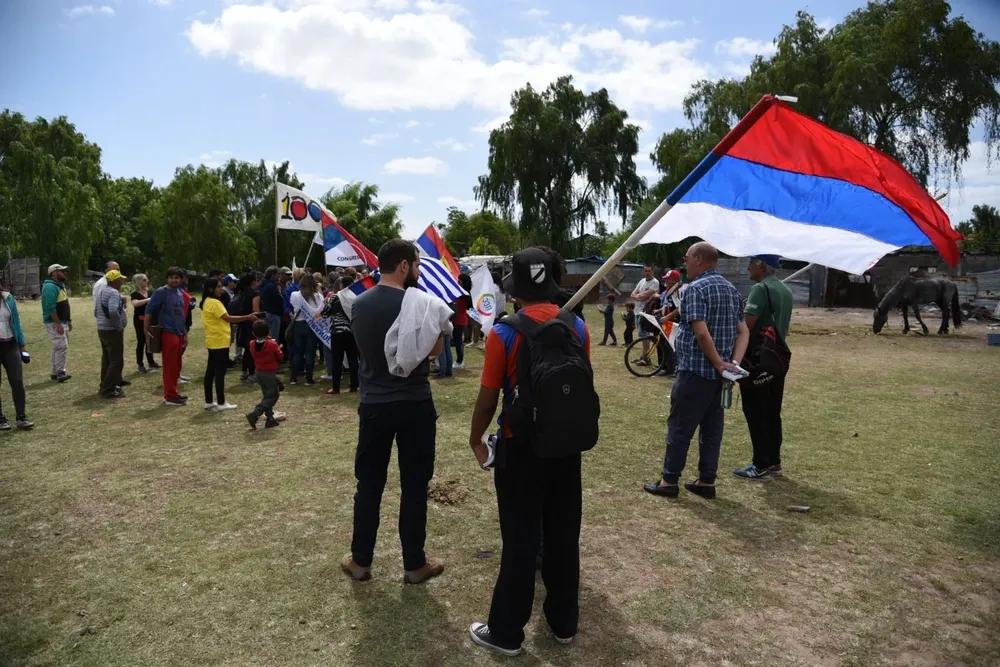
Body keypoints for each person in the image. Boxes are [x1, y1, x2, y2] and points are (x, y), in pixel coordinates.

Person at [466, 247, 592, 657]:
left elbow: (488, 398)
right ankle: (563, 623)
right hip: (566, 444)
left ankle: (505, 631)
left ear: (516, 290)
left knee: (520, 540)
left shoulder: (505, 332)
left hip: (520, 449)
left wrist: (475, 438)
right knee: (563, 534)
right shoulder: (578, 328)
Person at [341, 239, 444, 585]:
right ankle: (414, 564)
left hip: (374, 405)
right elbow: (435, 350)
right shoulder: (422, 305)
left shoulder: (359, 304)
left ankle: (360, 560)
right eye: (416, 264)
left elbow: (365, 351)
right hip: (415, 403)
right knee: (415, 486)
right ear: (403, 265)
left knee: (368, 485)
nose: (418, 270)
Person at [644, 242, 749, 500]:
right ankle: (706, 480)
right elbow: (743, 331)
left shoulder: (696, 289)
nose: (685, 261)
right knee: (712, 430)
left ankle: (669, 479)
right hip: (721, 376)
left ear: (699, 260)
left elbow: (701, 332)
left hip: (695, 372)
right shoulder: (731, 289)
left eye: (688, 257)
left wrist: (715, 362)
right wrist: (731, 364)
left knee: (680, 426)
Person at [733, 254, 794, 481]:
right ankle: (774, 462)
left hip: (757, 361)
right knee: (772, 412)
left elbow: (746, 327)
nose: (748, 266)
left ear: (762, 264)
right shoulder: (785, 290)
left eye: (751, 262)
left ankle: (760, 465)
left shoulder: (760, 289)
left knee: (756, 413)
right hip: (777, 359)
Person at [201, 278, 260, 411]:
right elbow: (228, 318)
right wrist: (248, 317)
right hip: (219, 340)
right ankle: (221, 402)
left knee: (210, 371)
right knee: (219, 372)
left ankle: (209, 400)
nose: (221, 289)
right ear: (211, 289)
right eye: (219, 286)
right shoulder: (215, 302)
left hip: (213, 339)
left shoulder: (206, 302)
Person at [146, 267, 190, 406]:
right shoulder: (161, 292)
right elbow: (149, 310)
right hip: (167, 331)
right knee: (170, 365)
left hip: (178, 331)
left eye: (176, 277)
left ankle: (174, 393)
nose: (174, 280)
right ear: (167, 279)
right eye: (171, 277)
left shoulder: (179, 292)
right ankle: (169, 396)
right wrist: (145, 330)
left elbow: (180, 314)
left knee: (177, 365)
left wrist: (185, 333)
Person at [0, 280, 33, 430]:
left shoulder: (8, 298)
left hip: (10, 344)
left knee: (17, 381)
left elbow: (16, 324)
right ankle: (1, 418)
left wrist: (22, 347)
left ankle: (21, 417)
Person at [322, 275, 359, 395]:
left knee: (337, 360)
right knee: (353, 359)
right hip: (351, 331)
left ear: (341, 285)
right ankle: (354, 386)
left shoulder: (334, 297)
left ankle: (336, 387)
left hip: (337, 332)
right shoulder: (356, 297)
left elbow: (325, 313)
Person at [95, 270, 129, 399]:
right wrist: (118, 326)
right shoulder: (114, 293)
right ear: (114, 281)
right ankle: (107, 389)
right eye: (120, 279)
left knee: (107, 359)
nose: (122, 281)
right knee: (116, 360)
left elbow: (95, 312)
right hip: (112, 330)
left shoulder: (102, 292)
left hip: (102, 329)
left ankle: (106, 383)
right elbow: (113, 311)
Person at [246, 319, 283, 429]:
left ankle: (270, 419)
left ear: (253, 333)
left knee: (267, 396)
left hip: (259, 372)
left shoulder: (252, 344)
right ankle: (255, 413)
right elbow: (279, 356)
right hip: (270, 373)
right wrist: (278, 347)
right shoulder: (272, 344)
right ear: (268, 332)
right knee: (272, 396)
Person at [289, 273, 324, 386]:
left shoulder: (295, 295)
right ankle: (309, 379)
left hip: (298, 325)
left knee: (297, 352)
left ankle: (293, 378)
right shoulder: (318, 296)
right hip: (311, 326)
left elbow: (293, 307)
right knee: (310, 352)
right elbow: (321, 311)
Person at [41, 264, 72, 382]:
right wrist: (58, 323)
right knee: (61, 346)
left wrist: (68, 321)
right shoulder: (50, 287)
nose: (65, 273)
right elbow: (50, 308)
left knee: (58, 346)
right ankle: (60, 372)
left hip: (62, 321)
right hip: (55, 322)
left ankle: (54, 372)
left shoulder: (59, 285)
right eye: (62, 271)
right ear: (54, 273)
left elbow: (65, 305)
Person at [232, 273, 262, 383]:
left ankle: (244, 372)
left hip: (242, 322)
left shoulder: (240, 292)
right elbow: (256, 309)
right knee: (252, 349)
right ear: (253, 281)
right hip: (252, 323)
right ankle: (252, 373)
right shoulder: (254, 293)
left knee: (246, 349)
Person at [130, 274, 160, 374]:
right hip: (140, 320)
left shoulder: (150, 292)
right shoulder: (135, 294)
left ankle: (151, 362)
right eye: (144, 279)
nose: (146, 280)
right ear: (139, 281)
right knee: (141, 341)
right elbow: (135, 303)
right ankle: (140, 364)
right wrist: (148, 300)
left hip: (151, 319)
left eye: (146, 279)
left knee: (150, 340)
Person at [631, 264, 660, 363]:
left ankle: (646, 358)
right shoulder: (642, 281)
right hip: (637, 311)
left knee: (645, 335)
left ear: (653, 271)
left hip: (646, 312)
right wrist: (638, 296)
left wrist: (638, 296)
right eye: (645, 271)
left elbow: (645, 295)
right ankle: (643, 356)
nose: (647, 273)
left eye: (649, 271)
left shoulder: (655, 282)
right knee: (641, 335)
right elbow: (633, 293)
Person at [259, 266, 284, 341]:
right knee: (273, 337)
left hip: (266, 312)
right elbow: (279, 299)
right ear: (272, 274)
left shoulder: (262, 284)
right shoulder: (271, 286)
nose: (279, 276)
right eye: (278, 274)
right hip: (274, 313)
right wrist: (280, 292)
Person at [453, 274, 472, 369]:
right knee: (458, 341)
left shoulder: (462, 294)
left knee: (458, 342)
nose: (458, 282)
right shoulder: (466, 293)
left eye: (459, 281)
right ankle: (459, 360)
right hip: (461, 318)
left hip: (459, 319)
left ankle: (459, 361)